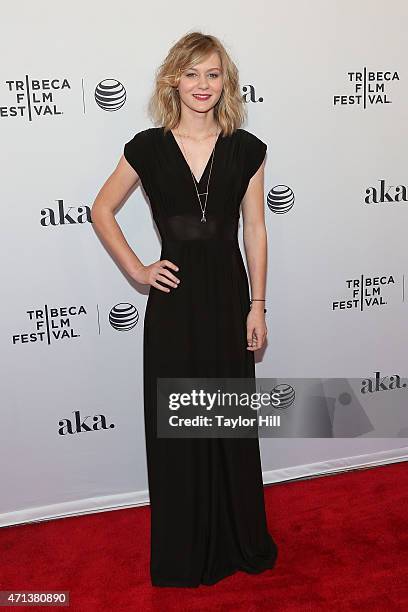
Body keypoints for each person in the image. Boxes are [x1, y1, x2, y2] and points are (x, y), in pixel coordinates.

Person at [91, 31, 278, 587]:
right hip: (173, 304)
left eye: (213, 74)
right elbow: (102, 209)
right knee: (180, 424)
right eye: (192, 73)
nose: (202, 85)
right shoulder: (147, 146)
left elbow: (256, 228)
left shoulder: (247, 149)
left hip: (228, 298)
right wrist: (138, 269)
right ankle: (186, 549)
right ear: (175, 79)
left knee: (228, 421)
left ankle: (238, 537)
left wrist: (258, 305)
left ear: (227, 82)